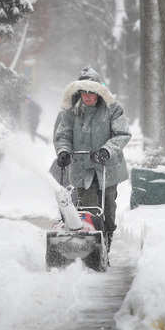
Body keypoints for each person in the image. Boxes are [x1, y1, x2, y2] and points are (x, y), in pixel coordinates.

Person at [53, 66, 131, 252]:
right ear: (79, 92)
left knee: (108, 211)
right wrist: (63, 151)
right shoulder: (69, 112)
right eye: (84, 92)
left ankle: (108, 238)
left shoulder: (113, 109)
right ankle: (92, 250)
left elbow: (122, 134)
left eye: (91, 92)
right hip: (82, 171)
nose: (87, 96)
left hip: (107, 169)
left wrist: (106, 150)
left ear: (99, 92)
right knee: (89, 211)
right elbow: (63, 135)